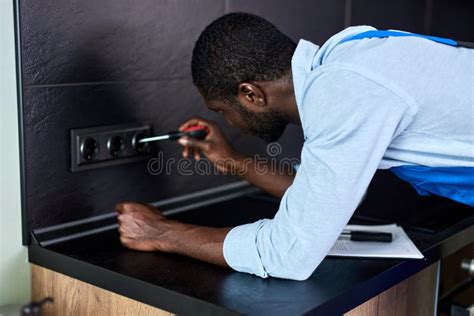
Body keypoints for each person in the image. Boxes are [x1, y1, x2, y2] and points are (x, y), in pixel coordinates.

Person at [115, 13, 474, 280]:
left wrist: (160, 233)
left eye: (223, 111)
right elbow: (323, 194)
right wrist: (231, 159)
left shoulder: (343, 91)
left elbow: (289, 255)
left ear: (251, 94)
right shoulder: (345, 54)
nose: (230, 123)